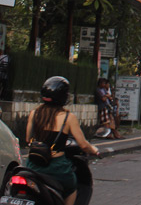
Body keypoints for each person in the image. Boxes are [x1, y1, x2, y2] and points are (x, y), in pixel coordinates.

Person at [26, 76, 100, 205]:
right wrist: (94, 150)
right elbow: (83, 144)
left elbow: (28, 139)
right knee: (71, 188)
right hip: (57, 166)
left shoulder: (34, 113)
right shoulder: (68, 118)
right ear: (64, 97)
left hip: (33, 165)